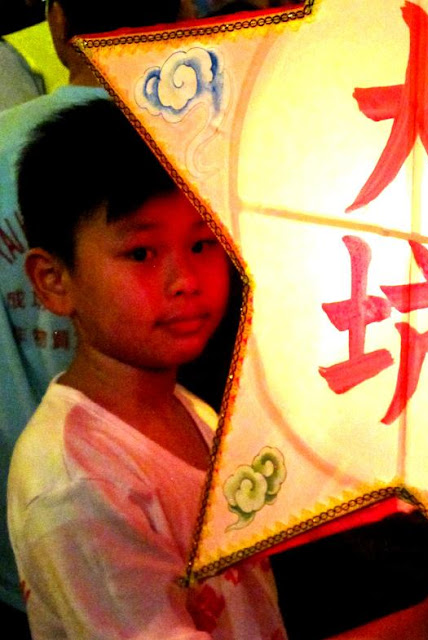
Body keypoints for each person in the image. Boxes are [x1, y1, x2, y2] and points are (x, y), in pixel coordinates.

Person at [7, 98, 287, 640]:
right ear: (54, 281)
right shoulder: (76, 485)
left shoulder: (190, 409)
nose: (187, 281)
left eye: (203, 242)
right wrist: (425, 621)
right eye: (142, 254)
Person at [0, 0, 181, 629]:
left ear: (57, 20)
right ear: (180, 14)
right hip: (205, 501)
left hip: (22, 521)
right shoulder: (207, 138)